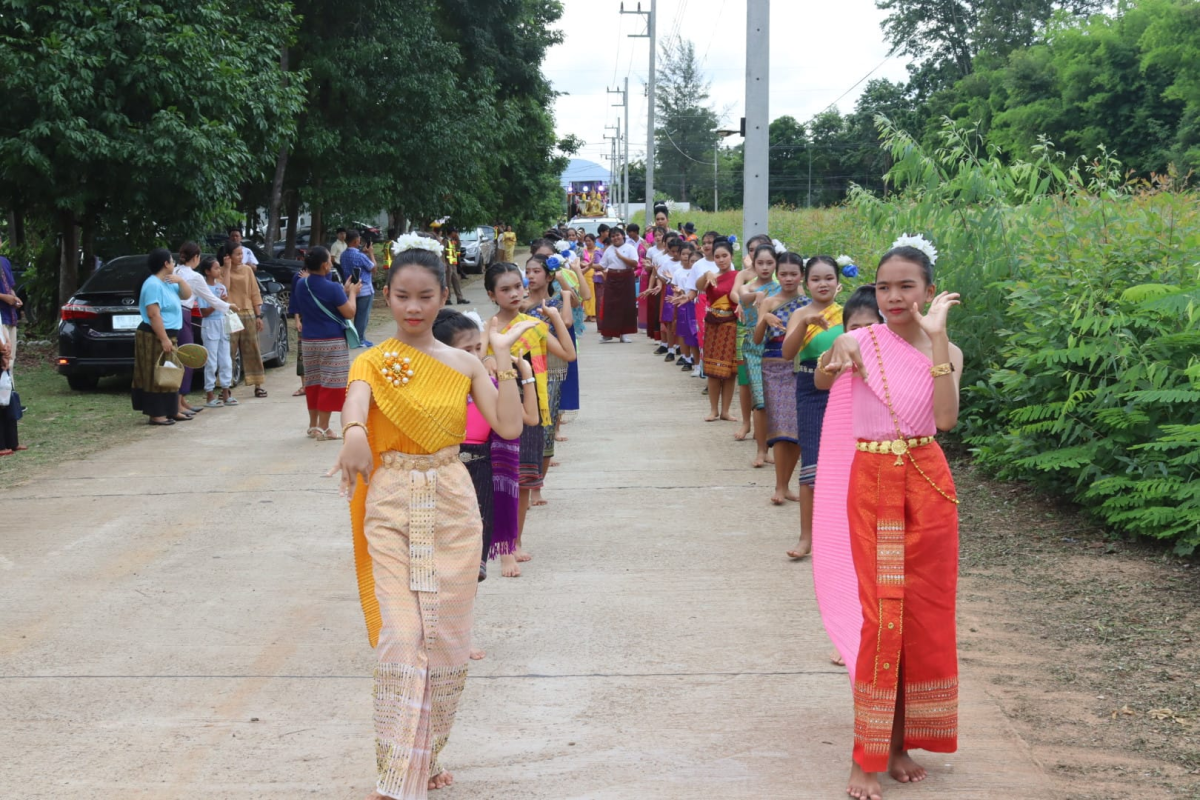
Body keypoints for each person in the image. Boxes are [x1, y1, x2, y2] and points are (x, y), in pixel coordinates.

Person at [329, 238, 529, 800]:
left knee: (443, 639)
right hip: (391, 500)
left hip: (452, 503)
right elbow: (356, 400)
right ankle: (396, 774)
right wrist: (351, 434)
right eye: (401, 296)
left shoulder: (465, 363)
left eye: (424, 297)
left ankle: (428, 756)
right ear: (386, 296)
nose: (412, 308)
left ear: (443, 295)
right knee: (403, 633)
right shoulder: (372, 359)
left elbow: (509, 428)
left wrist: (505, 362)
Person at [815, 239, 963, 800]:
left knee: (924, 617)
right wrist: (839, 354)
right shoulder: (859, 339)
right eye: (883, 287)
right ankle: (866, 757)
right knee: (882, 619)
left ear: (928, 289)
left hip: (928, 483)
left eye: (906, 286)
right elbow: (826, 377)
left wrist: (938, 335)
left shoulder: (945, 350)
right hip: (873, 482)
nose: (894, 296)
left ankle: (901, 743)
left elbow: (945, 419)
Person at [433, 309, 540, 581]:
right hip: (444, 472)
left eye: (478, 348)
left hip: (482, 469)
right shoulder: (432, 390)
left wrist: (520, 372)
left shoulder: (486, 386)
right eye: (465, 349)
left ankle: (502, 551)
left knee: (468, 570)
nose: (475, 356)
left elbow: (520, 422)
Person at [484, 262, 575, 563]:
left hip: (533, 408)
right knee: (499, 479)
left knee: (524, 481)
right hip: (498, 410)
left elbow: (568, 353)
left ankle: (515, 541)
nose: (514, 293)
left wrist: (552, 318)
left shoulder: (534, 326)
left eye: (518, 287)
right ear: (491, 294)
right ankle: (496, 540)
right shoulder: (488, 330)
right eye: (505, 289)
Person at [780, 256, 846, 559]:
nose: (823, 284)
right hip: (809, 390)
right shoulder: (801, 314)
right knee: (812, 465)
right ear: (807, 283)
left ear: (839, 282)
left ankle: (842, 535)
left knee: (845, 465)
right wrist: (804, 324)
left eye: (829, 278)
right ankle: (806, 537)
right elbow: (787, 353)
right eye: (817, 279)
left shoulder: (848, 315)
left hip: (845, 390)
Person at [753, 252, 809, 505]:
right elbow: (756, 339)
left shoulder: (809, 303)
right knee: (779, 426)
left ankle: (787, 484)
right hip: (773, 365)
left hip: (800, 365)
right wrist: (764, 318)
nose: (788, 279)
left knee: (796, 428)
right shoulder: (769, 301)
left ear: (802, 276)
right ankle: (779, 486)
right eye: (783, 274)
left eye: (793, 274)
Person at [523, 253, 578, 506]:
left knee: (545, 427)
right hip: (522, 369)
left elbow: (567, 321)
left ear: (548, 275)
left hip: (551, 368)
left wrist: (565, 290)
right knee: (524, 428)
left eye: (536, 271)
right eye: (528, 271)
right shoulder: (518, 302)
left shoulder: (555, 302)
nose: (531, 276)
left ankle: (537, 487)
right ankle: (524, 481)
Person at [292, 246, 357, 440]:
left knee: (313, 382)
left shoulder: (301, 284)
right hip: (332, 340)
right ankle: (324, 427)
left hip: (309, 340)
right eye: (329, 260)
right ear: (324, 265)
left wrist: (342, 291)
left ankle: (313, 426)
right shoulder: (333, 287)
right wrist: (352, 293)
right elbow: (349, 312)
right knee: (330, 383)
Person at [132, 248, 193, 425]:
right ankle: (156, 413)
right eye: (172, 261)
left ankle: (172, 410)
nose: (174, 264)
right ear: (166, 264)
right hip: (154, 335)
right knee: (155, 373)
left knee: (170, 372)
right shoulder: (152, 284)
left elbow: (187, 295)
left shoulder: (168, 282)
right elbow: (153, 314)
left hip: (170, 334)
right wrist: (164, 338)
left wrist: (180, 280)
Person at [732, 242, 780, 465]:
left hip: (777, 344)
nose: (765, 267)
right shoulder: (748, 285)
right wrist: (758, 295)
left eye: (770, 263)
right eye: (760, 262)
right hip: (752, 345)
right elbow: (743, 295)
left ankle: (775, 445)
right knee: (759, 399)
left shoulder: (783, 286)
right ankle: (761, 450)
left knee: (776, 399)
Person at [175, 241, 231, 415]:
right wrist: (229, 306)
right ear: (196, 257)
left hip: (173, 314)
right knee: (189, 357)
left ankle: (181, 400)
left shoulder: (174, 271)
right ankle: (179, 401)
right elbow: (211, 299)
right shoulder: (194, 277)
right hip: (183, 312)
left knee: (180, 357)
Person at [695, 239, 740, 422]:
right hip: (713, 324)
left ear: (731, 256)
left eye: (724, 256)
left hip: (731, 325)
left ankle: (726, 411)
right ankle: (713, 409)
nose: (721, 260)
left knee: (730, 371)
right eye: (717, 257)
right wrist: (706, 274)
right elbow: (698, 287)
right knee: (713, 370)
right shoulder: (711, 275)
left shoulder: (738, 276)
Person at [221, 241, 268, 398]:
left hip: (247, 312)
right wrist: (227, 268)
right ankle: (225, 388)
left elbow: (255, 292)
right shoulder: (221, 271)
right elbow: (224, 290)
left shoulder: (248, 270)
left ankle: (258, 384)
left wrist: (258, 315)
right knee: (229, 351)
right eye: (238, 254)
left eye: (242, 253)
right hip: (231, 313)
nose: (241, 257)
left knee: (252, 349)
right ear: (228, 256)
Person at [195, 256, 236, 408]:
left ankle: (226, 392)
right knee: (211, 361)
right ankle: (210, 394)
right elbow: (204, 312)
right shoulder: (203, 289)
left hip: (222, 322)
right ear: (207, 271)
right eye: (216, 268)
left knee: (226, 359)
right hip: (209, 324)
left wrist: (222, 303)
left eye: (220, 268)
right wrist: (218, 302)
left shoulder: (221, 287)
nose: (219, 270)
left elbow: (224, 306)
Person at [596, 227, 639, 343]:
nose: (616, 238)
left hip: (627, 276)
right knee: (610, 305)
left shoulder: (630, 248)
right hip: (612, 277)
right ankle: (608, 334)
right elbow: (602, 265)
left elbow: (635, 263)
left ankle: (624, 334)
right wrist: (589, 265)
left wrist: (621, 257)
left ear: (623, 236)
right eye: (613, 236)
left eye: (618, 235)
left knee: (627, 305)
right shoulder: (609, 250)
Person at [340, 230, 377, 347]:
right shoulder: (360, 256)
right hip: (364, 288)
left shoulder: (343, 255)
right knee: (362, 315)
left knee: (356, 314)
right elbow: (374, 268)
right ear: (356, 241)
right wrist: (371, 253)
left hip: (350, 288)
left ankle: (357, 337)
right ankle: (360, 339)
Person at [674, 242, 701, 375]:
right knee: (691, 335)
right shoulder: (683, 273)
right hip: (689, 305)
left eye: (697, 261)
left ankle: (703, 364)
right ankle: (695, 364)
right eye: (692, 261)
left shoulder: (705, 273)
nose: (694, 264)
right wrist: (678, 294)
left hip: (703, 305)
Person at [0, 322, 23, 455]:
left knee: (7, 396)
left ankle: (12, 442)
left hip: (3, 347)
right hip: (1, 350)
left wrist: (7, 342)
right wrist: (3, 351)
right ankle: (1, 445)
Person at [0, 237, 21, 375]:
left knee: (10, 361)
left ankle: (8, 395)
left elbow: (10, 287)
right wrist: (4, 297)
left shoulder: (5, 262)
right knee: (2, 361)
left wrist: (14, 298)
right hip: (0, 319)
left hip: (11, 316)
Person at [445, 228, 469, 305]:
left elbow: (458, 247)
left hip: (453, 262)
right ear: (452, 232)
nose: (456, 234)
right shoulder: (446, 240)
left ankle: (459, 298)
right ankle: (447, 298)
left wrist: (458, 239)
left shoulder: (453, 240)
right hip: (448, 262)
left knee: (456, 281)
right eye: (455, 233)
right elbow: (443, 252)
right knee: (447, 281)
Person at [583, 233, 601, 322]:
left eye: (589, 241)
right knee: (586, 295)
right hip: (585, 274)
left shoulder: (598, 250)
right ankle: (588, 314)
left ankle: (594, 314)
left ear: (594, 241)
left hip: (595, 273)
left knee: (594, 295)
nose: (587, 243)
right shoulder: (583, 251)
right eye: (586, 241)